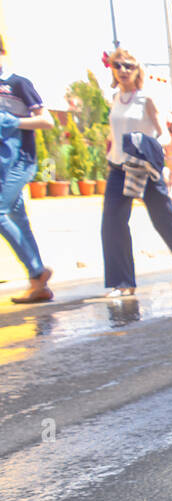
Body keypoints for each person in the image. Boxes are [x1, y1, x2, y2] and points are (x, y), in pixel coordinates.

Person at [100, 47, 172, 297]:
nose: (123, 70)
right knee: (112, 224)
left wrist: (146, 143)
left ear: (137, 70)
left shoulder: (146, 99)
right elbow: (114, 132)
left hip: (143, 167)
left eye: (129, 65)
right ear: (112, 70)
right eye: (118, 65)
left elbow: (165, 134)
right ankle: (123, 282)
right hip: (117, 168)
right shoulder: (114, 98)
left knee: (165, 222)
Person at [0, 34, 54, 303]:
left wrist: (13, 122)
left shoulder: (18, 83)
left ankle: (37, 270)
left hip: (21, 158)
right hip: (1, 162)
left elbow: (47, 121)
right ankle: (38, 286)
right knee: (18, 217)